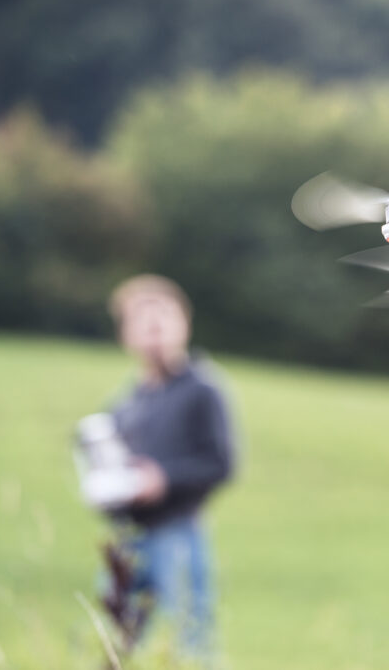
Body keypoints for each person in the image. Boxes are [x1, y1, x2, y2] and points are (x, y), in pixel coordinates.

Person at [98, 274, 235, 661]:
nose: (155, 327)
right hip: (127, 539)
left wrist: (164, 479)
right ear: (126, 333)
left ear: (184, 324)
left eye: (164, 316)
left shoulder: (203, 389)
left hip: (178, 534)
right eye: (143, 319)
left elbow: (221, 463)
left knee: (191, 638)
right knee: (113, 642)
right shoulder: (125, 403)